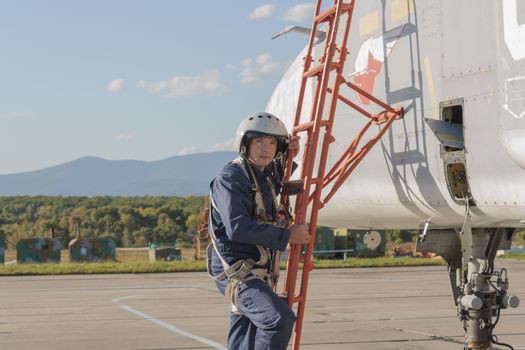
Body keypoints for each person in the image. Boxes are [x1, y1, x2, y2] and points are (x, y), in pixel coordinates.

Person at [207, 112, 310, 349]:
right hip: (236, 270)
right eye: (260, 142)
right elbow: (238, 228)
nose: (266, 149)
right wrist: (287, 236)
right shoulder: (231, 178)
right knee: (277, 320)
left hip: (257, 269)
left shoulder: (262, 175)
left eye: (273, 143)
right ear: (246, 145)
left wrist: (289, 152)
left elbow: (278, 173)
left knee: (245, 337)